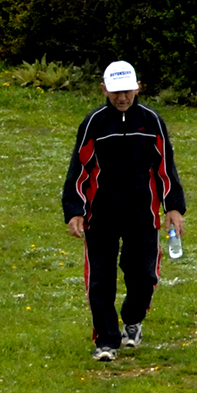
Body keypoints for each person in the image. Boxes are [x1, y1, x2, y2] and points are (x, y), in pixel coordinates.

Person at [62, 60, 185, 363]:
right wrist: (74, 210)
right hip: (99, 216)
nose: (122, 98)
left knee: (143, 274)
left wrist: (174, 208)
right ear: (104, 89)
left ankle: (133, 318)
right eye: (115, 92)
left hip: (142, 215)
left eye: (127, 91)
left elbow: (165, 167)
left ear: (138, 87)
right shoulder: (94, 123)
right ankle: (106, 340)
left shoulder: (152, 121)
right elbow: (79, 169)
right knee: (100, 279)